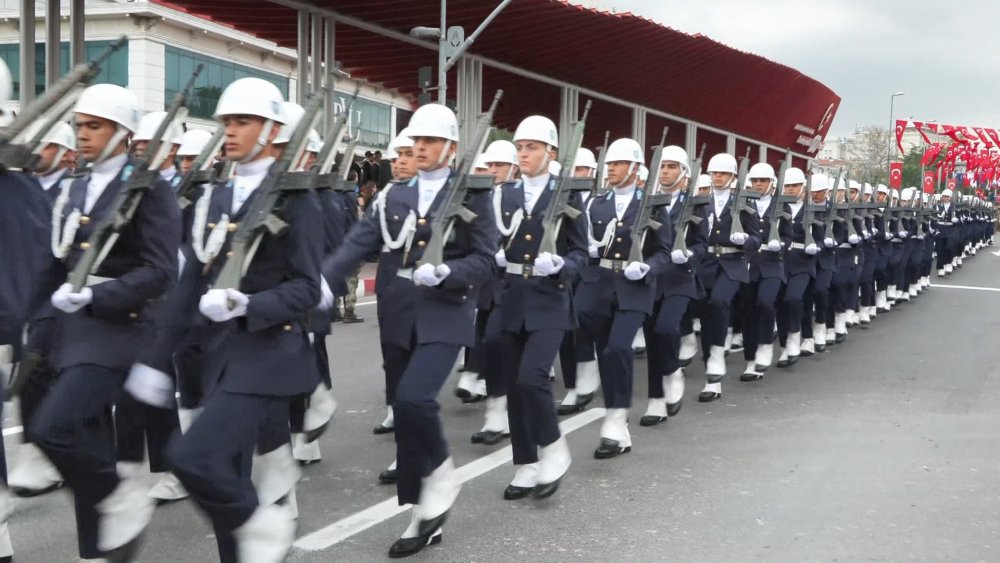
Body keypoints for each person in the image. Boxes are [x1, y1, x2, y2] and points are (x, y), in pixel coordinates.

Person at [152, 77, 321, 562]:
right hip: (220, 353)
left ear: (271, 130)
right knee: (224, 467)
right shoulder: (216, 197)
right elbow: (190, 281)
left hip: (270, 353)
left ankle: (263, 525)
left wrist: (248, 304)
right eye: (226, 122)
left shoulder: (295, 199)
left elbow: (307, 288)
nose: (229, 131)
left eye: (242, 122)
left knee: (192, 457)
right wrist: (154, 356)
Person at [322, 103, 496, 557]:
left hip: (447, 311)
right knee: (404, 411)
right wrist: (323, 282)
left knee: (415, 399)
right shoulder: (394, 196)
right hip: (400, 310)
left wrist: (449, 273)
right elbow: (358, 243)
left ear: (451, 148)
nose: (420, 148)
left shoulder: (473, 195)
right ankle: (423, 515)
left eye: (430, 141)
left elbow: (485, 260)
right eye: (416, 140)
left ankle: (441, 477)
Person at [31, 83, 181, 561]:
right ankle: (99, 551)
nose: (82, 134)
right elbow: (53, 260)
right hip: (71, 330)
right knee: (86, 440)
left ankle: (120, 496)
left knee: (53, 428)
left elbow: (161, 270)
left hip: (122, 328)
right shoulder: (76, 186)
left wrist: (96, 294)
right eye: (79, 126)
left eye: (94, 126)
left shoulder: (149, 189)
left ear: (122, 133)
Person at [493, 116, 583, 498]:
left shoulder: (567, 195)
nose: (523, 154)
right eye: (520, 147)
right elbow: (489, 239)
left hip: (550, 299)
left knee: (533, 377)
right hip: (513, 297)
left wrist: (562, 265)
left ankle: (554, 447)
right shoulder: (504, 194)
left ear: (551, 153)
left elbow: (581, 252)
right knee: (515, 385)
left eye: (532, 147)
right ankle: (526, 464)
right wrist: (493, 257)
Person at [577, 137, 670, 458]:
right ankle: (620, 426)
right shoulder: (596, 203)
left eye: (618, 164)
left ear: (634, 167)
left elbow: (664, 251)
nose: (611, 169)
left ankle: (615, 421)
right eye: (610, 164)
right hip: (601, 286)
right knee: (606, 353)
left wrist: (647, 268)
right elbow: (583, 244)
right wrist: (588, 252)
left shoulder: (653, 205)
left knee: (618, 347)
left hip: (635, 290)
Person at [639, 146, 707, 425]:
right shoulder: (648, 202)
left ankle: (672, 371)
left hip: (680, 278)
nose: (665, 172)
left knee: (666, 328)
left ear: (683, 172)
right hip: (651, 279)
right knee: (652, 339)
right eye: (662, 166)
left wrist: (689, 254)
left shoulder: (695, 204)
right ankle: (656, 400)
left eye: (671, 166)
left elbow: (702, 244)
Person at [693, 153, 760, 401]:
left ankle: (717, 358)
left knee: (720, 302)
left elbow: (757, 238)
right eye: (714, 173)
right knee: (705, 313)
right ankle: (710, 363)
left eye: (722, 173)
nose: (718, 177)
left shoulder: (744, 204)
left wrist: (746, 241)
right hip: (706, 263)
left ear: (733, 177)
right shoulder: (701, 202)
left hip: (732, 264)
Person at [738, 163, 790, 381]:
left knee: (766, 302)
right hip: (749, 265)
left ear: (772, 183)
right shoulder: (743, 204)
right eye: (755, 180)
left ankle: (766, 344)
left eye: (763, 181)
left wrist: (781, 244)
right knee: (747, 311)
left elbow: (789, 235)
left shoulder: (781, 206)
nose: (758, 184)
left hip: (772, 264)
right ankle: (751, 361)